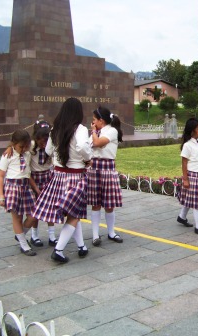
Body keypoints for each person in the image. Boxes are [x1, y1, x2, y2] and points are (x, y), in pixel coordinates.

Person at [32, 97, 92, 263]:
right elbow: (81, 147)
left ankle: (82, 247)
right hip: (75, 176)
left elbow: (49, 150)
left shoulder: (55, 129)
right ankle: (58, 250)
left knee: (74, 213)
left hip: (58, 176)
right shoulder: (80, 129)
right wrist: (88, 157)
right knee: (74, 214)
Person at [0, 130, 38, 256]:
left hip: (25, 186)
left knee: (34, 215)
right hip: (12, 186)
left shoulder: (27, 152)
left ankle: (20, 235)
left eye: (26, 146)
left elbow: (35, 142)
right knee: (17, 217)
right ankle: (24, 245)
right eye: (21, 146)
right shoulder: (7, 155)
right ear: (14, 144)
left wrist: (36, 189)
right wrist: (1, 196)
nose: (24, 149)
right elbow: (0, 176)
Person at [88, 106, 124, 247]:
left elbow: (97, 143)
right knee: (95, 203)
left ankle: (111, 232)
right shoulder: (96, 132)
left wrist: (93, 132)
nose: (93, 123)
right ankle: (95, 235)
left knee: (109, 204)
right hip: (95, 167)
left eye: (94, 120)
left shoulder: (112, 131)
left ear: (101, 120)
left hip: (107, 168)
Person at [29, 125, 57, 247]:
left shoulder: (51, 146)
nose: (44, 143)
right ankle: (34, 235)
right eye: (41, 140)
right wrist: (35, 188)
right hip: (34, 178)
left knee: (51, 207)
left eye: (46, 140)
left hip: (47, 177)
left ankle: (52, 235)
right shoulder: (31, 146)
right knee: (35, 209)